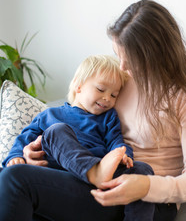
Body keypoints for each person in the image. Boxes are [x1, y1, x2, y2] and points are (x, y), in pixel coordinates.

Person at [0, 0, 186, 221]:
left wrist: (146, 185)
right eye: (118, 54)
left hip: (146, 199)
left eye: (130, 58)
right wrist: (31, 155)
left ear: (153, 55)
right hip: (94, 177)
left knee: (15, 181)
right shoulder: (119, 82)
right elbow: (79, 115)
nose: (122, 66)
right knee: (9, 177)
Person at [1, 54, 155, 220]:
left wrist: (123, 155)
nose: (107, 98)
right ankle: (93, 171)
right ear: (78, 86)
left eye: (113, 95)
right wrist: (15, 156)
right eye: (101, 90)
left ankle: (96, 172)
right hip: (59, 176)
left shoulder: (108, 117)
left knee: (142, 169)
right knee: (55, 132)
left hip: (96, 185)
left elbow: (116, 142)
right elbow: (25, 137)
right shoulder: (50, 114)